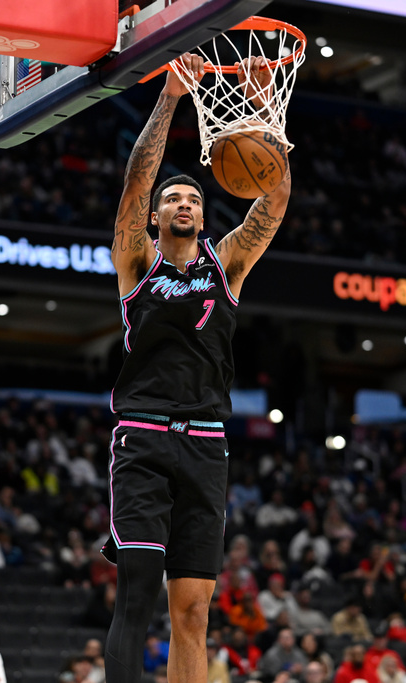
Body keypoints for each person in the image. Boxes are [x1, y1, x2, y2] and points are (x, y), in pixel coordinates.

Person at [103, 51, 291, 683]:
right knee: (136, 592)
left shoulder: (227, 262)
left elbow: (277, 198)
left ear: (205, 215)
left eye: (193, 198)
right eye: (172, 198)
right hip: (144, 438)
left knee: (193, 609)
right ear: (155, 217)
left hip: (207, 444)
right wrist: (170, 101)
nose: (183, 202)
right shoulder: (136, 261)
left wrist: (263, 115)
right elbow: (134, 184)